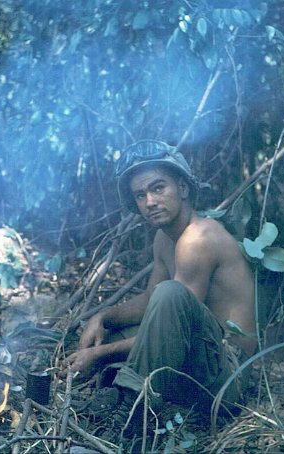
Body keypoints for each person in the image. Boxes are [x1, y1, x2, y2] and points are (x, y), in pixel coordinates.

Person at [62, 140, 256, 434]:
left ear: (184, 188)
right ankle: (115, 393)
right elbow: (152, 299)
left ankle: (131, 416)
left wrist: (100, 355)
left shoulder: (199, 238)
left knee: (170, 295)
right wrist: (102, 317)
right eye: (140, 195)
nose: (150, 201)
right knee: (111, 332)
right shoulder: (165, 238)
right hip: (200, 361)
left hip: (227, 378)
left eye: (158, 188)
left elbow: (170, 315)